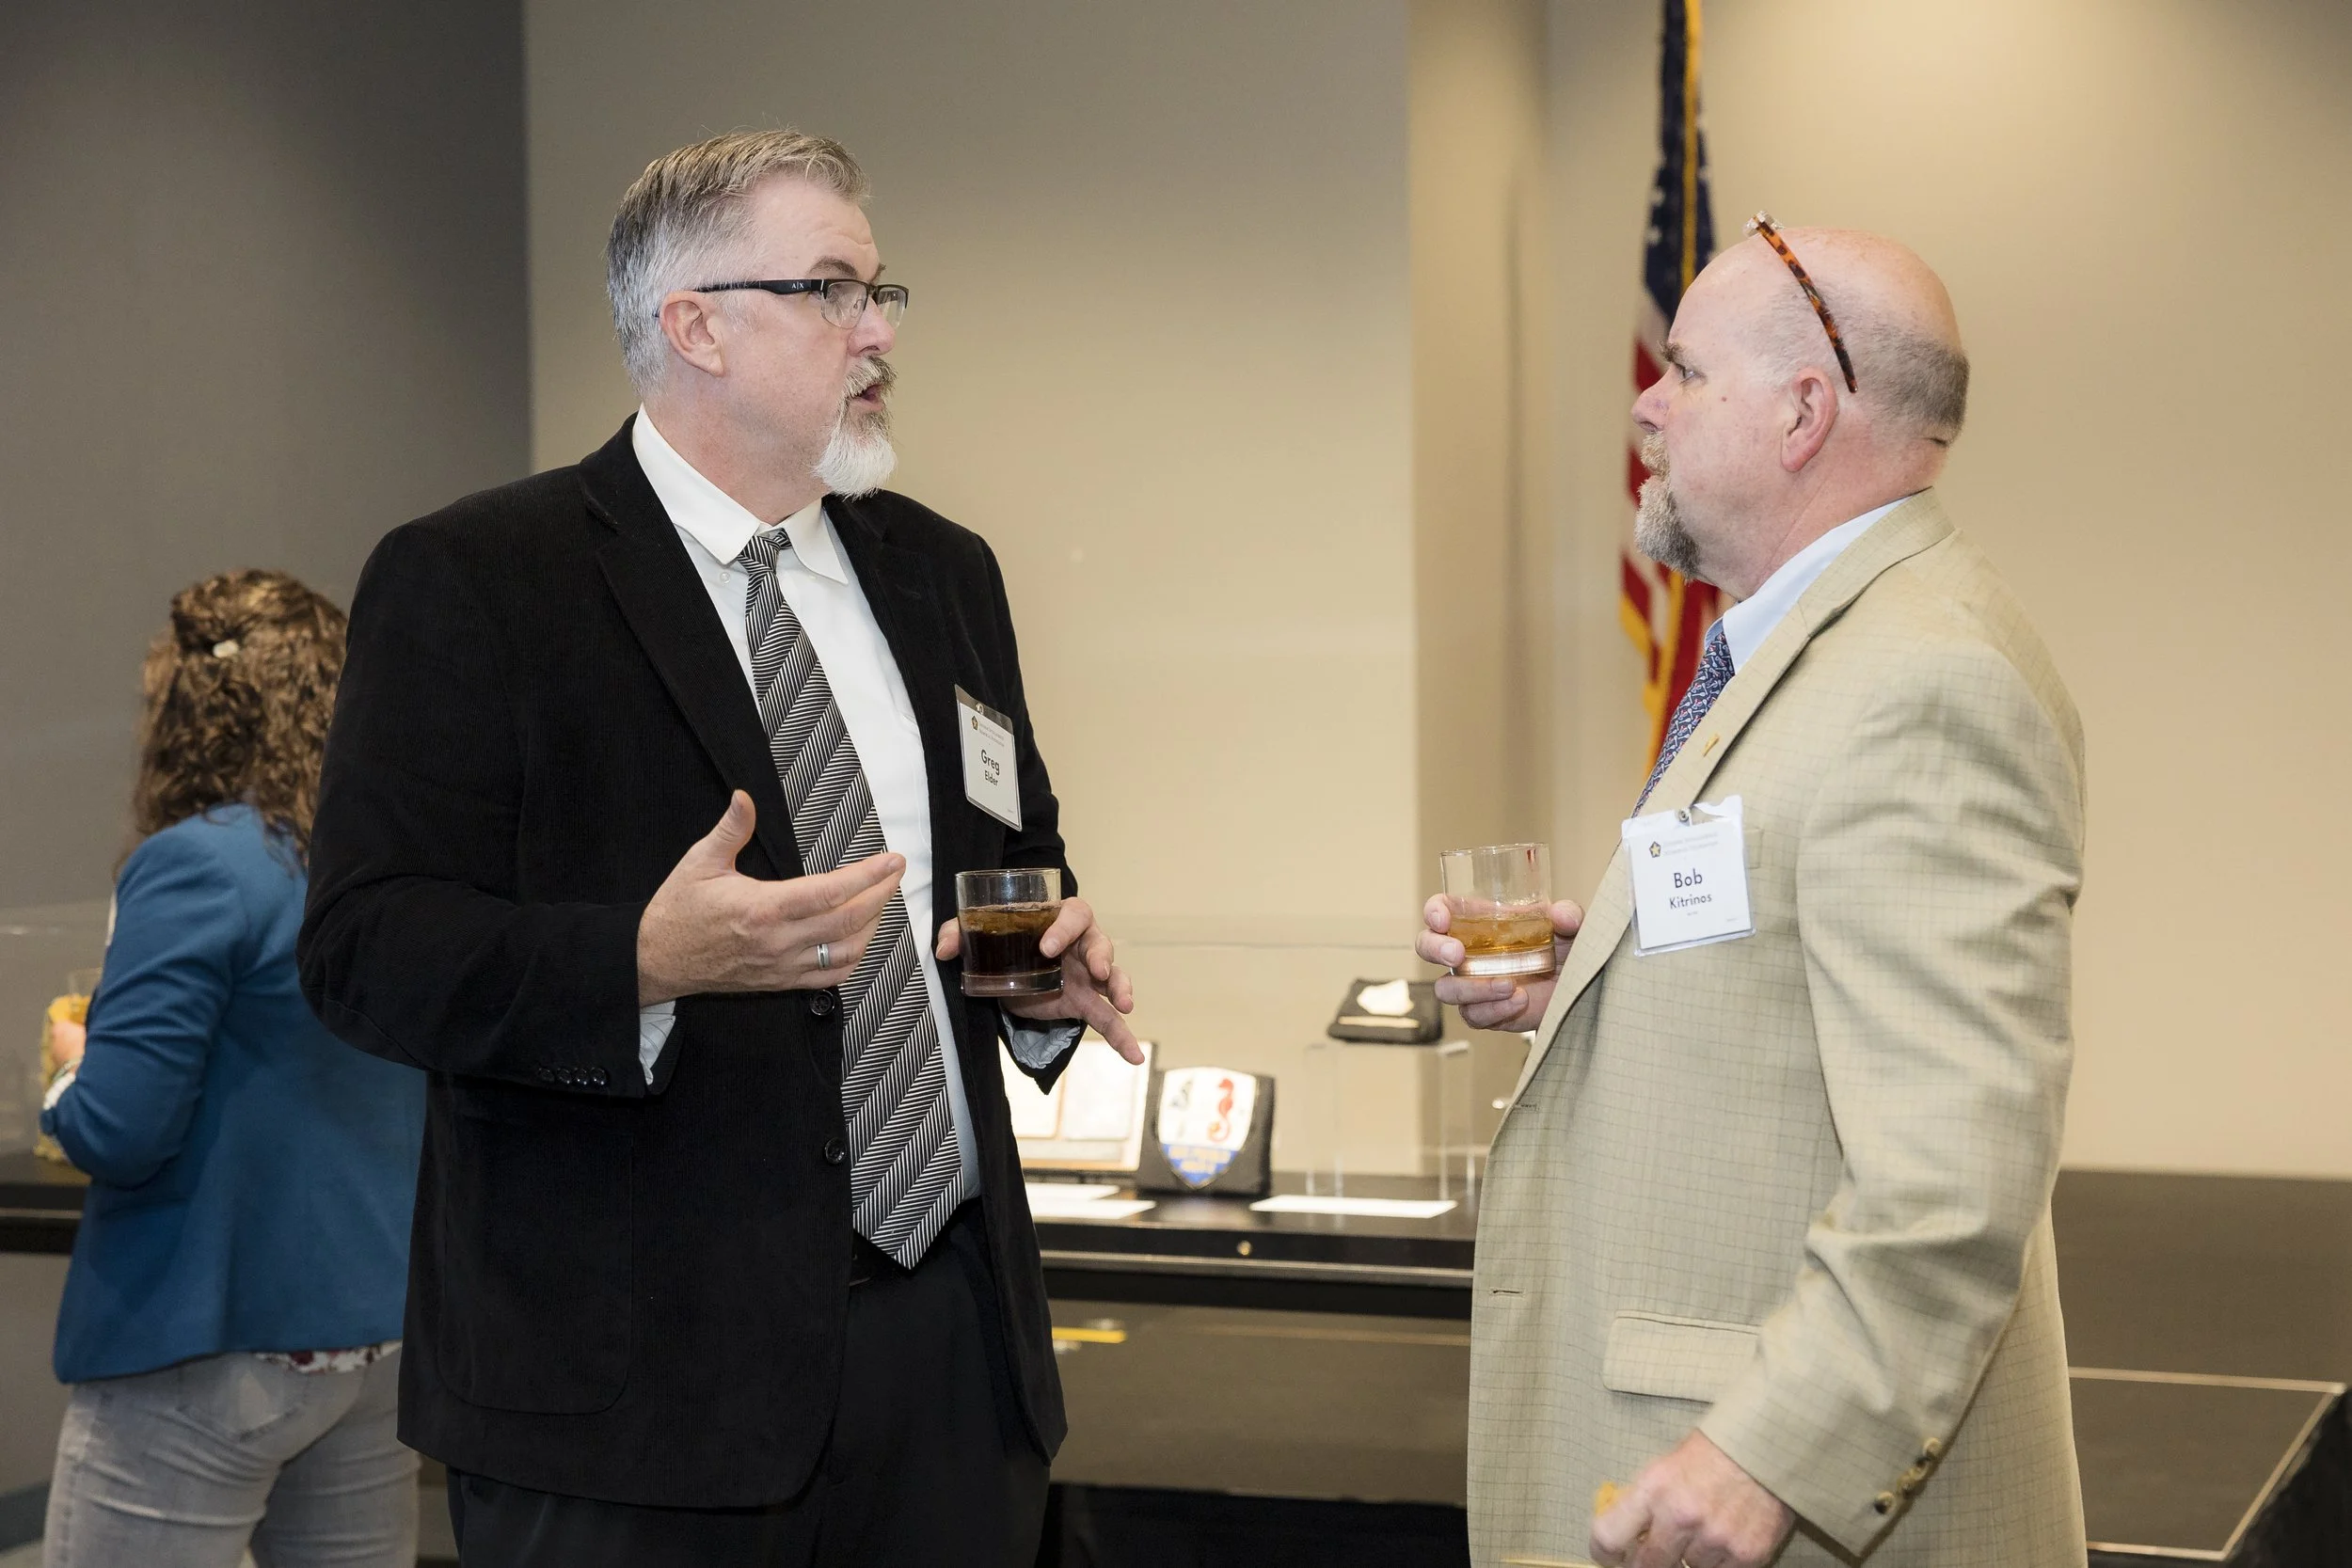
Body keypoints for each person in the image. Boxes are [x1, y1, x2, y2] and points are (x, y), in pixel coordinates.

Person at [297, 129, 1138, 1568]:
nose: (879, 331)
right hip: (630, 1391)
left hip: (949, 1346)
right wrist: (639, 959)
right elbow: (365, 949)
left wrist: (1039, 979)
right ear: (694, 325)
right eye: (832, 290)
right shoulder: (482, 579)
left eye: (882, 293)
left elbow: (1014, 860)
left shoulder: (945, 573)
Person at [1423, 222, 2086, 1568]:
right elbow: (1789, 938)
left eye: (1682, 371)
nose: (1643, 406)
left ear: (1802, 412)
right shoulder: (1814, 649)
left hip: (1782, 1493)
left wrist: (1768, 1450)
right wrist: (1600, 971)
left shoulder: (1922, 682)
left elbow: (1952, 1175)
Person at [39, 570, 426, 1568]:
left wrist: (71, 1074)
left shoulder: (198, 862)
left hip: (208, 1350)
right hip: (373, 1347)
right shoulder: (389, 858)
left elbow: (121, 1129)